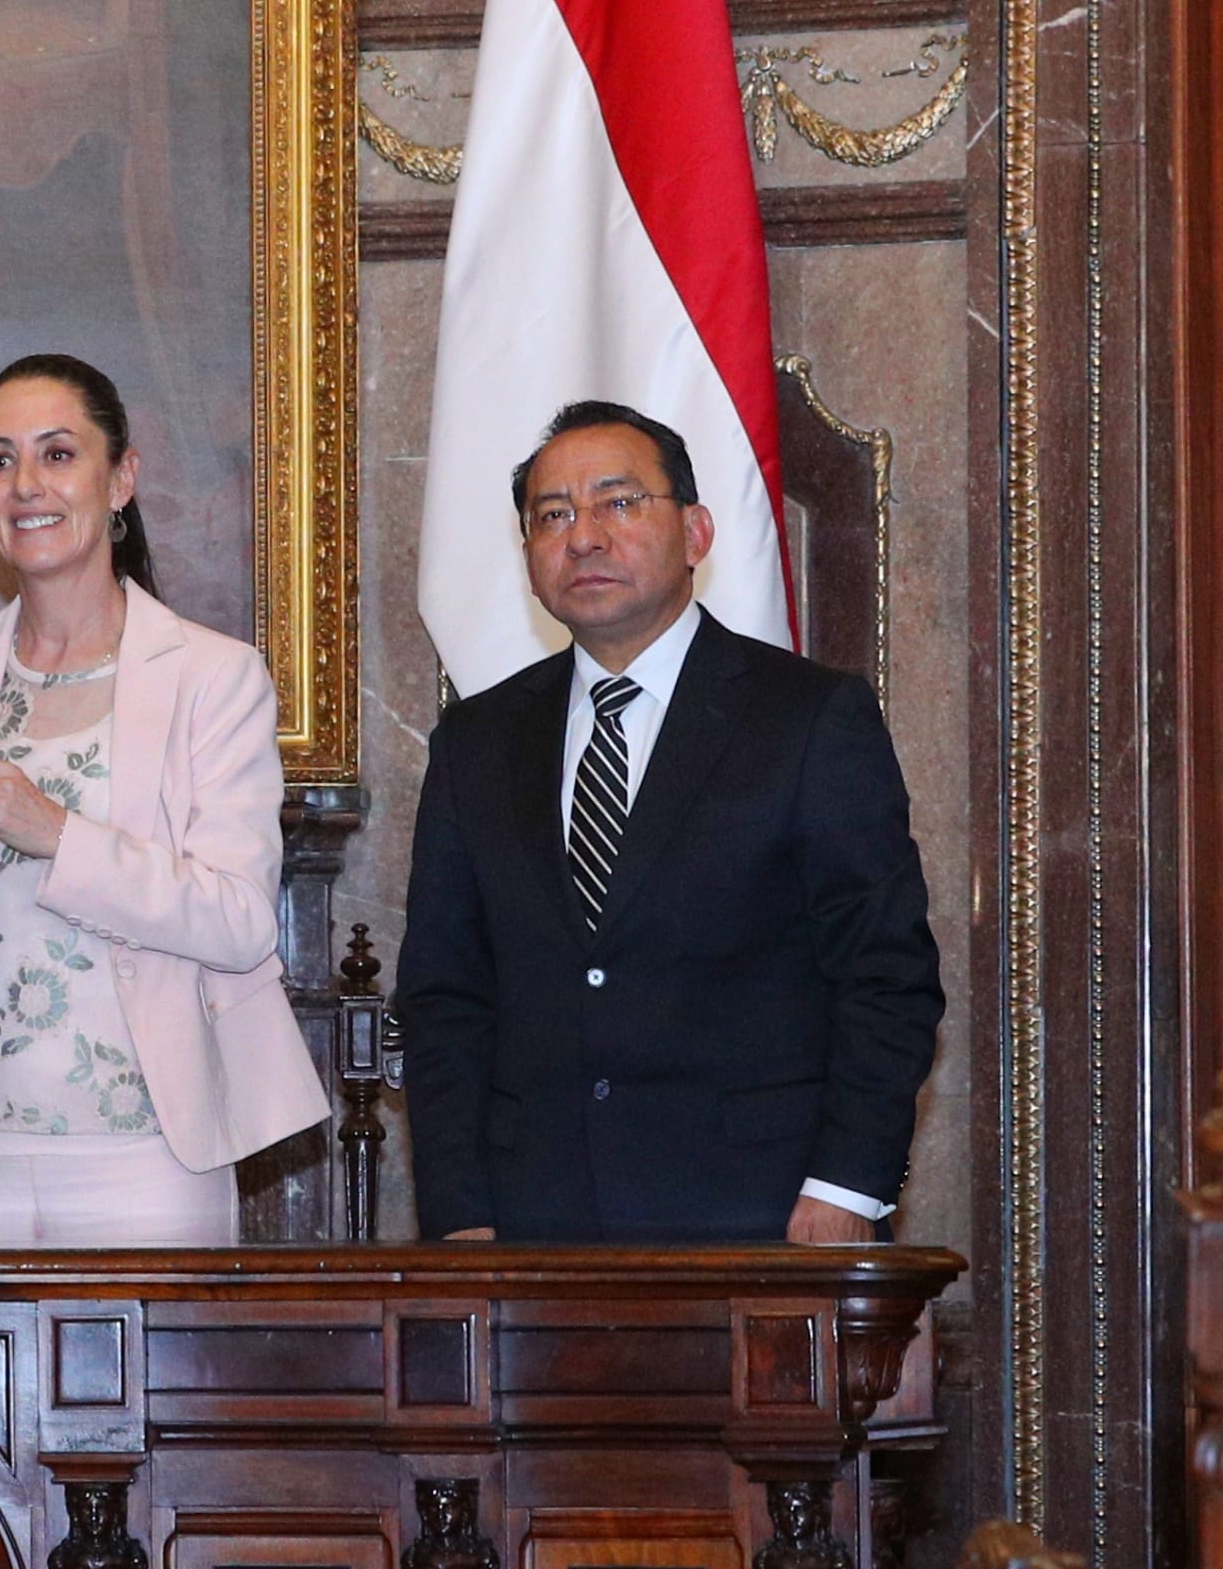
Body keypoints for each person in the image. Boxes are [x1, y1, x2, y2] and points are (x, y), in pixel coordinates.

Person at [396, 400, 943, 1244]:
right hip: (530, 1233)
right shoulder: (478, 742)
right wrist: (460, 1212)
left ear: (695, 532)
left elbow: (885, 974)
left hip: (761, 1222)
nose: (583, 535)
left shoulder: (807, 719)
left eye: (618, 502)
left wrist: (847, 1190)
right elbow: (445, 997)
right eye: (553, 514)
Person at [0, 354, 330, 1246]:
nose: (26, 485)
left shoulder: (215, 676)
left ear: (121, 476)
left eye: (58, 454)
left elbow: (243, 919)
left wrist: (57, 833)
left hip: (144, 1150)